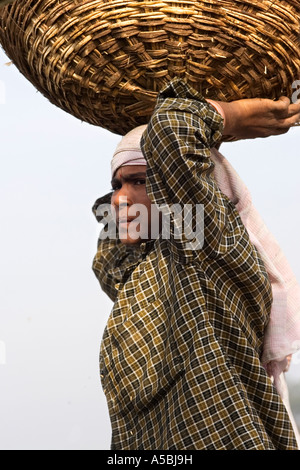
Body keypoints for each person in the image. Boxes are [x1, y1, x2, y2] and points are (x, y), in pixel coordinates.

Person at [92, 78, 300, 450]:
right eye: (116, 185)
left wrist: (233, 116)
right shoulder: (139, 275)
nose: (119, 198)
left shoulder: (207, 247)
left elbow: (172, 131)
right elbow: (109, 255)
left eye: (137, 181)